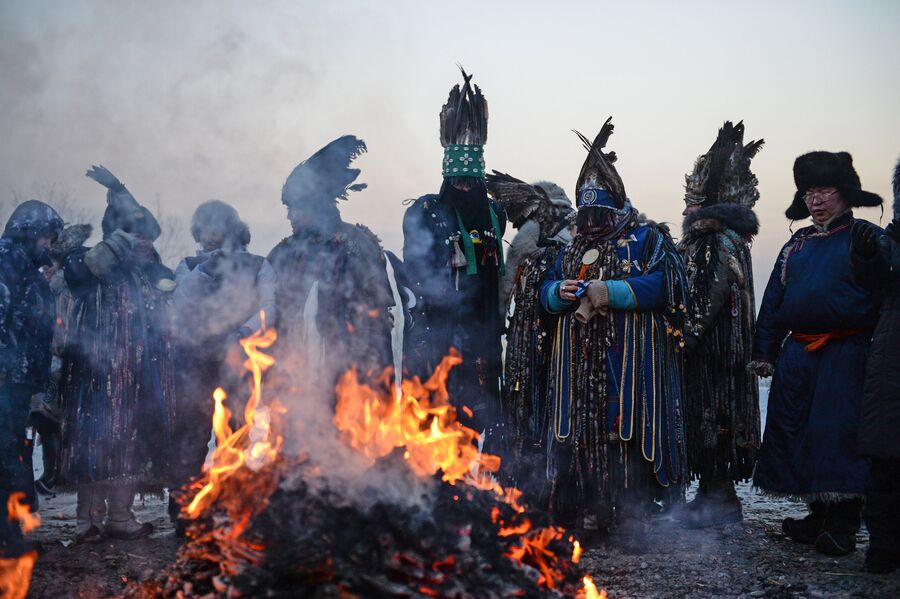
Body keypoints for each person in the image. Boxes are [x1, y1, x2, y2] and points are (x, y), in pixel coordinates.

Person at [538, 118, 689, 550]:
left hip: (630, 359)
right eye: (585, 217)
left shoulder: (648, 239)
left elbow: (667, 287)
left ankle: (633, 516)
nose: (590, 224)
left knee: (627, 429)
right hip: (576, 363)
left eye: (599, 216)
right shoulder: (567, 246)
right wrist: (558, 293)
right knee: (579, 433)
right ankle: (588, 509)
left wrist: (612, 292)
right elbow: (545, 293)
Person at [752, 151, 882, 557]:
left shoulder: (865, 238)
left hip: (847, 352)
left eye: (824, 190)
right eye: (809, 193)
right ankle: (817, 514)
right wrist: (765, 350)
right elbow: (774, 301)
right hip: (799, 354)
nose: (816, 200)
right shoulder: (797, 245)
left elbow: (883, 294)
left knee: (836, 433)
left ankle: (843, 522)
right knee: (797, 431)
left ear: (844, 194)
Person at [60, 166, 177, 541]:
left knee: (128, 442)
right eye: (136, 236)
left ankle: (121, 518)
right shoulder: (93, 264)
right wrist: (115, 232)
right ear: (119, 235)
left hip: (137, 376)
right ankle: (87, 521)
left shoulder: (151, 273)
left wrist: (120, 188)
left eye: (147, 237)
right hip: (94, 375)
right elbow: (75, 279)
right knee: (93, 441)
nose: (144, 242)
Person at [402, 69, 507, 446]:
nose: (464, 188)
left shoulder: (496, 214)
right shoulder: (425, 213)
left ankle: (474, 492)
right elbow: (414, 273)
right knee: (438, 415)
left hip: (482, 333)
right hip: (439, 330)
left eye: (470, 183)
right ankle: (436, 488)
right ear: (447, 179)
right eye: (458, 183)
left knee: (477, 413)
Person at [676, 122, 763, 527]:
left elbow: (710, 295)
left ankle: (720, 499)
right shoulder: (721, 239)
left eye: (692, 202)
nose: (685, 209)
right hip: (715, 352)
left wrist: (687, 335)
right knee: (710, 421)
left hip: (716, 355)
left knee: (717, 420)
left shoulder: (714, 241)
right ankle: (711, 494)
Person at [169, 200, 276, 528]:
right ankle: (185, 511)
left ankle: (237, 507)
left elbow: (270, 307)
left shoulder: (258, 264)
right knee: (191, 435)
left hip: (240, 361)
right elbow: (179, 302)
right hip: (194, 362)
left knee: (238, 433)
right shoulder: (188, 265)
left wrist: (242, 334)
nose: (211, 235)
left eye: (218, 227)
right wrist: (204, 272)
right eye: (205, 228)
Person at [267, 136, 393, 404]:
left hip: (352, 378)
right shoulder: (282, 254)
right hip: (295, 382)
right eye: (289, 209)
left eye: (296, 209)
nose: (290, 217)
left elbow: (377, 316)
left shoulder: (359, 244)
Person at [486, 172, 574, 494]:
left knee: (527, 399)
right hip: (567, 328)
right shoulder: (575, 227)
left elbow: (509, 278)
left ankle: (528, 481)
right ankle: (560, 483)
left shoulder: (534, 229)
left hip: (532, 327)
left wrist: (496, 321)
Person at [0, 199, 63, 555]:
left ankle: (8, 529)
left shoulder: (23, 264)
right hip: (5, 377)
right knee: (4, 454)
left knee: (9, 451)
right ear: (32, 232)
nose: (50, 247)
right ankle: (5, 536)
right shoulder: (7, 258)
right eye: (48, 239)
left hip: (16, 379)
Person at [849, 157, 900, 574]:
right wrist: (868, 259)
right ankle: (884, 546)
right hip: (890, 356)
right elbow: (877, 283)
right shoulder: (890, 241)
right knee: (886, 458)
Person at [31, 223, 93, 496]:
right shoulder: (48, 287)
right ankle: (53, 472)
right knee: (45, 420)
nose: (45, 269)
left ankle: (57, 473)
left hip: (61, 361)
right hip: (50, 361)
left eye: (50, 264)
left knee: (53, 419)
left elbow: (64, 327)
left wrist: (57, 351)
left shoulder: (64, 287)